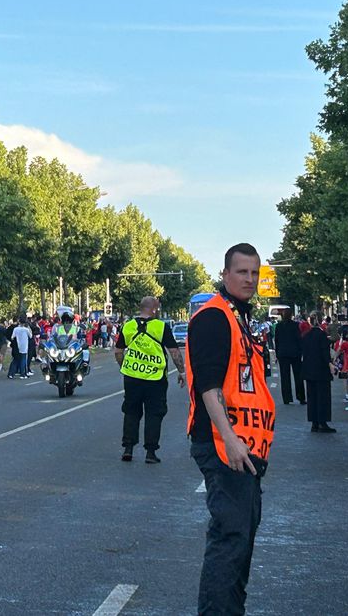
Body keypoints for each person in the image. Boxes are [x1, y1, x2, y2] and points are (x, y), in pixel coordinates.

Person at [185, 243, 276, 615]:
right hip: (226, 447)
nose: (250, 279)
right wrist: (232, 439)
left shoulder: (238, 317)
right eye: (242, 272)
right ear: (225, 275)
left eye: (254, 273)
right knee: (230, 540)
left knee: (240, 541)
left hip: (245, 448)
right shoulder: (214, 317)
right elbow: (209, 387)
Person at [116, 296, 185, 463]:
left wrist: (125, 367)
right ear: (154, 309)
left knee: (131, 411)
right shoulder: (161, 327)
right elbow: (174, 352)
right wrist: (182, 371)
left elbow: (118, 351)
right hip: (155, 379)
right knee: (154, 413)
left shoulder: (128, 326)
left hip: (132, 378)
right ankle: (150, 452)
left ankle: (128, 448)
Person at [299, 314, 335, 433]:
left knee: (312, 396)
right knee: (323, 396)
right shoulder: (322, 335)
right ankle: (322, 422)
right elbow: (325, 352)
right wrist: (330, 364)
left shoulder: (306, 335)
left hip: (309, 369)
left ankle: (314, 422)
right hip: (321, 370)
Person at [272, 309, 304, 406]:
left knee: (284, 376)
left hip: (283, 353)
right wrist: (301, 352)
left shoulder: (279, 326)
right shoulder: (295, 325)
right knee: (298, 376)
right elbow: (299, 339)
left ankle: (287, 398)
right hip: (295, 353)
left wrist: (277, 354)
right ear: (291, 315)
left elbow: (276, 341)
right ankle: (301, 397)